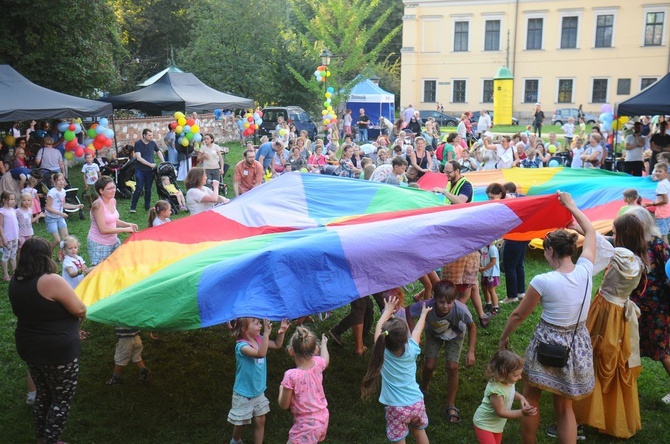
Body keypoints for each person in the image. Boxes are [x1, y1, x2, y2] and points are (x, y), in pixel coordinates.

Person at [499, 191, 596, 444]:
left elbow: (519, 314)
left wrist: (504, 338)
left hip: (546, 344)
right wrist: (571, 205)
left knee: (530, 399)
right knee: (564, 408)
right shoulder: (586, 270)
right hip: (576, 345)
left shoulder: (543, 280)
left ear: (550, 250)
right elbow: (592, 233)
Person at [571, 213, 646, 439]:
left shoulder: (621, 255)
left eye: (615, 231)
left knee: (592, 355)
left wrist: (577, 223)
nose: (612, 235)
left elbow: (597, 241)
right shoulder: (639, 259)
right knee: (613, 361)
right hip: (620, 312)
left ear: (624, 235)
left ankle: (582, 417)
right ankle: (611, 414)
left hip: (605, 311)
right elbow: (601, 242)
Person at [8, 237, 87, 444]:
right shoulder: (50, 280)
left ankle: (41, 437)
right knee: (61, 398)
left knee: (44, 393)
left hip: (29, 346)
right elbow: (80, 309)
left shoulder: (17, 279)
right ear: (46, 256)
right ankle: (52, 440)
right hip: (57, 350)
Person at [361, 295, 431, 444]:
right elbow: (418, 329)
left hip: (396, 407)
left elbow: (379, 326)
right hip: (416, 402)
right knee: (420, 433)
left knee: (400, 439)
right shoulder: (412, 349)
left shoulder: (382, 351)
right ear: (406, 336)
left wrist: (387, 310)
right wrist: (423, 314)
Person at [406, 280, 476, 424]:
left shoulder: (461, 309)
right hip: (434, 334)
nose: (445, 306)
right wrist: (413, 333)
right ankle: (424, 388)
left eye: (449, 302)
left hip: (456, 335)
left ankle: (450, 404)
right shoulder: (427, 305)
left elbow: (472, 327)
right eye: (441, 302)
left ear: (455, 299)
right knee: (429, 365)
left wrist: (471, 351)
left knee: (452, 367)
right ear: (434, 298)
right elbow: (408, 310)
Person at [627, 206, 670, 405]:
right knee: (629, 347)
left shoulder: (659, 245)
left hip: (658, 307)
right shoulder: (631, 245)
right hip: (635, 306)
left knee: (663, 351)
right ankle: (625, 389)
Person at [228, 318, 290, 444]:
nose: (260, 325)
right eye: (256, 323)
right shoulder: (241, 346)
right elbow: (261, 354)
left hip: (259, 391)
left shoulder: (259, 339)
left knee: (260, 421)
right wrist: (266, 335)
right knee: (241, 422)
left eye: (259, 322)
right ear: (244, 329)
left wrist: (281, 332)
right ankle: (235, 440)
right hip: (243, 394)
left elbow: (277, 345)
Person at [278, 327, 330, 444]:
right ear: (316, 349)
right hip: (322, 418)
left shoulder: (291, 376)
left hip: (307, 426)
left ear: (291, 351)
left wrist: (282, 388)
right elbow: (325, 359)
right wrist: (324, 344)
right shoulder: (318, 364)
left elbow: (283, 404)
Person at [473, 350, 537, 444]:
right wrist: (521, 413)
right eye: (516, 375)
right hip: (484, 424)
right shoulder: (496, 391)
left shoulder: (508, 382)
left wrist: (521, 398)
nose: (519, 378)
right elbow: (501, 412)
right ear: (502, 373)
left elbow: (511, 392)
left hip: (497, 425)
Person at [87, 176, 138, 266]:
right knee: (101, 271)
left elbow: (113, 220)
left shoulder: (113, 200)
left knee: (119, 264)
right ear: (101, 191)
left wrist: (127, 224)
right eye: (109, 189)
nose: (113, 190)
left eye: (114, 187)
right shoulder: (98, 205)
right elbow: (103, 230)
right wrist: (124, 230)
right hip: (99, 244)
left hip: (113, 240)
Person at [45, 173, 84, 256]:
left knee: (65, 238)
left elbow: (64, 205)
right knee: (57, 240)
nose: (61, 182)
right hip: (51, 218)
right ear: (54, 182)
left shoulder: (63, 191)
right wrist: (60, 213)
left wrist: (76, 206)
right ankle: (47, 253)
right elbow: (48, 207)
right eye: (59, 180)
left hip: (59, 217)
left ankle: (61, 255)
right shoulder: (52, 193)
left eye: (63, 179)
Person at [130, 129, 165, 213]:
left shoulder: (152, 143)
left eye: (151, 135)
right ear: (144, 135)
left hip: (150, 171)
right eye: (149, 135)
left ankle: (147, 206)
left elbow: (158, 152)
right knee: (138, 188)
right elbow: (139, 158)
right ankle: (133, 207)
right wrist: (150, 164)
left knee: (148, 189)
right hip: (140, 170)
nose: (151, 137)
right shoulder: (138, 144)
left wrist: (163, 161)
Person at [644, 162, 670, 242]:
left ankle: (665, 252)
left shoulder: (661, 185)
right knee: (664, 234)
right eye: (656, 171)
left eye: (660, 171)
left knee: (661, 235)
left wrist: (651, 203)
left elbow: (665, 200)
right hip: (667, 211)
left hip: (662, 213)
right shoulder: (667, 183)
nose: (657, 173)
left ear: (665, 172)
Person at [0, 191, 19, 281]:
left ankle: (14, 272)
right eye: (11, 199)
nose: (13, 201)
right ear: (4, 200)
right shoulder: (2, 212)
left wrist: (18, 236)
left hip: (14, 237)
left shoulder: (13, 210)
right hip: (7, 238)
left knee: (13, 256)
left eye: (14, 199)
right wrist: (3, 238)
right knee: (6, 256)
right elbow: (0, 225)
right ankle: (5, 275)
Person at [480, 239, 501, 316]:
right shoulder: (483, 248)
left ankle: (496, 307)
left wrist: (484, 268)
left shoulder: (492, 248)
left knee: (491, 289)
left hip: (492, 273)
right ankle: (488, 303)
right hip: (485, 272)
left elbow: (493, 261)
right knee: (484, 288)